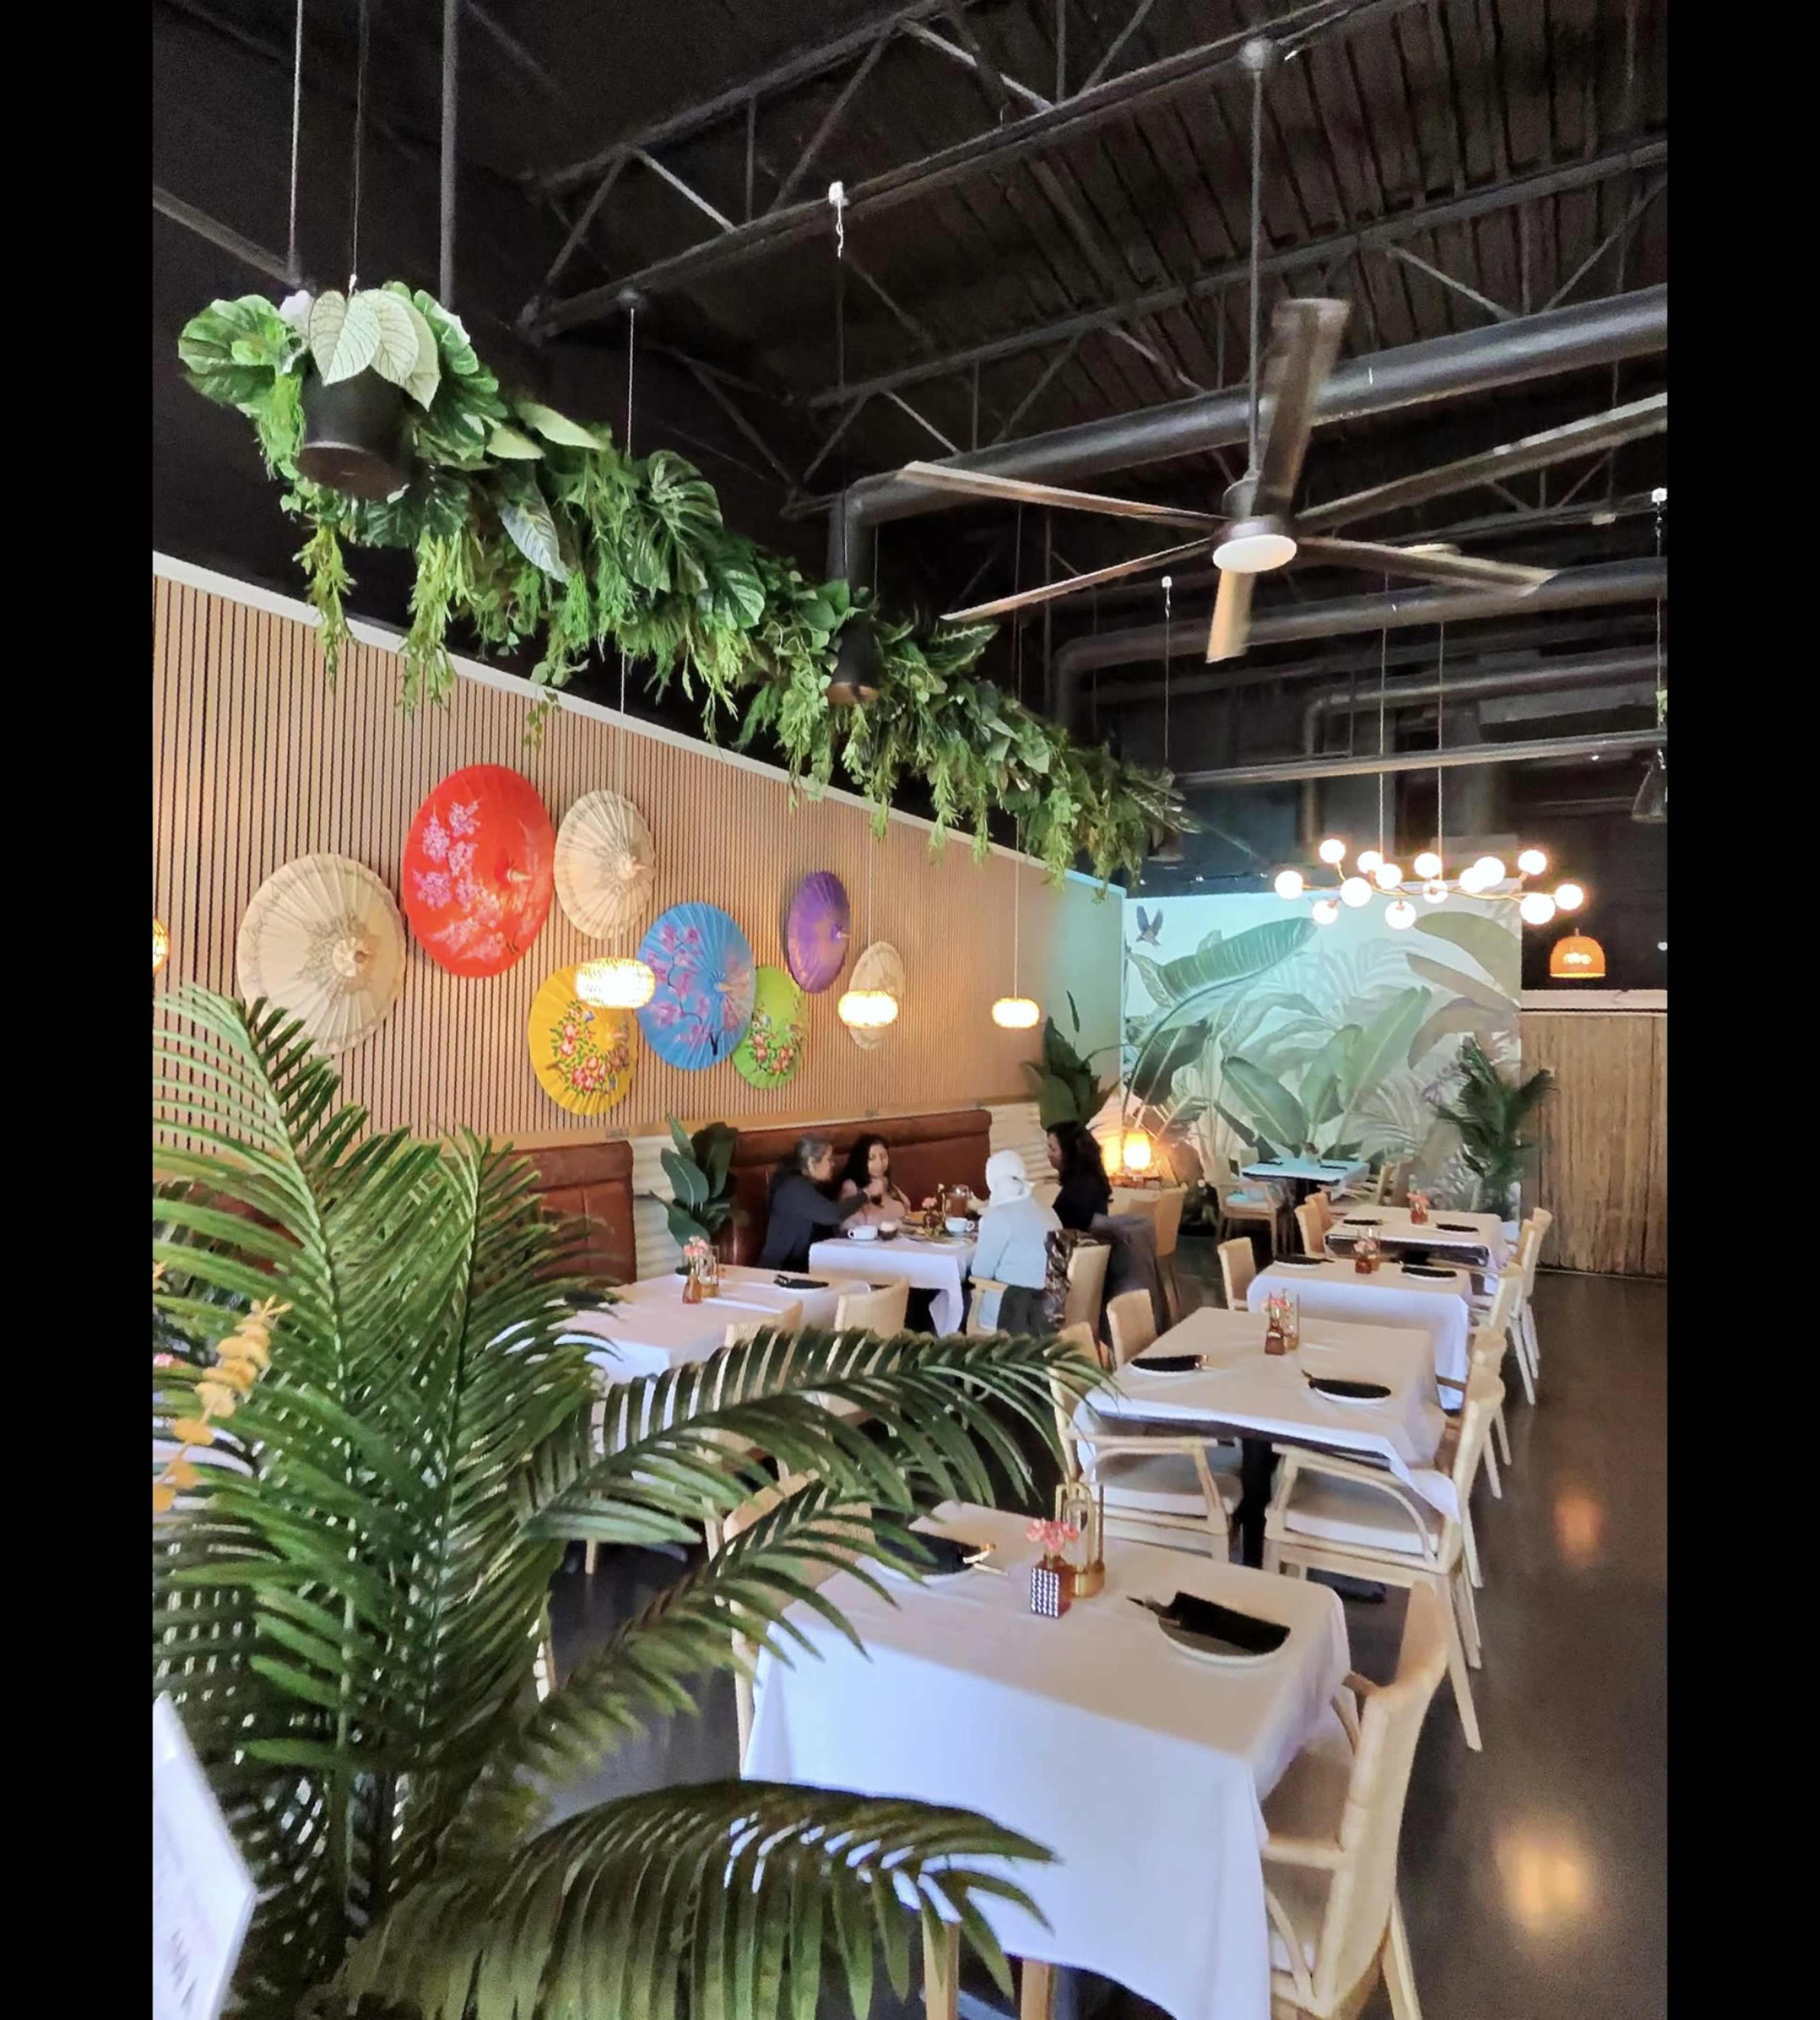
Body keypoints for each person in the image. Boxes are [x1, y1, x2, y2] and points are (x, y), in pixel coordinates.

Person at [970, 1151, 1062, 1332]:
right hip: (1053, 1307)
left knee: (966, 1300)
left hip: (1014, 1308)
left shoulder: (999, 1216)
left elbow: (980, 1273)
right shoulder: (1048, 1211)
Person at [758, 1135, 870, 1272]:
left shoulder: (811, 1185)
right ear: (812, 1163)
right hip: (780, 1271)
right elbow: (833, 1214)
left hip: (805, 1266)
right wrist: (866, 1195)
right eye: (829, 1160)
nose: (833, 1164)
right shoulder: (795, 1188)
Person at [1046, 1120, 1112, 1233]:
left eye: (1053, 1149)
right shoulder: (1089, 1179)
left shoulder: (1080, 1190)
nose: (1048, 1154)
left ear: (1069, 1152)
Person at [837, 1133, 911, 1225]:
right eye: (872, 1158)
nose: (879, 1163)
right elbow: (849, 1226)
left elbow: (907, 1209)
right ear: (861, 1161)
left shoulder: (888, 1184)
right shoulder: (852, 1186)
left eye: (883, 1157)